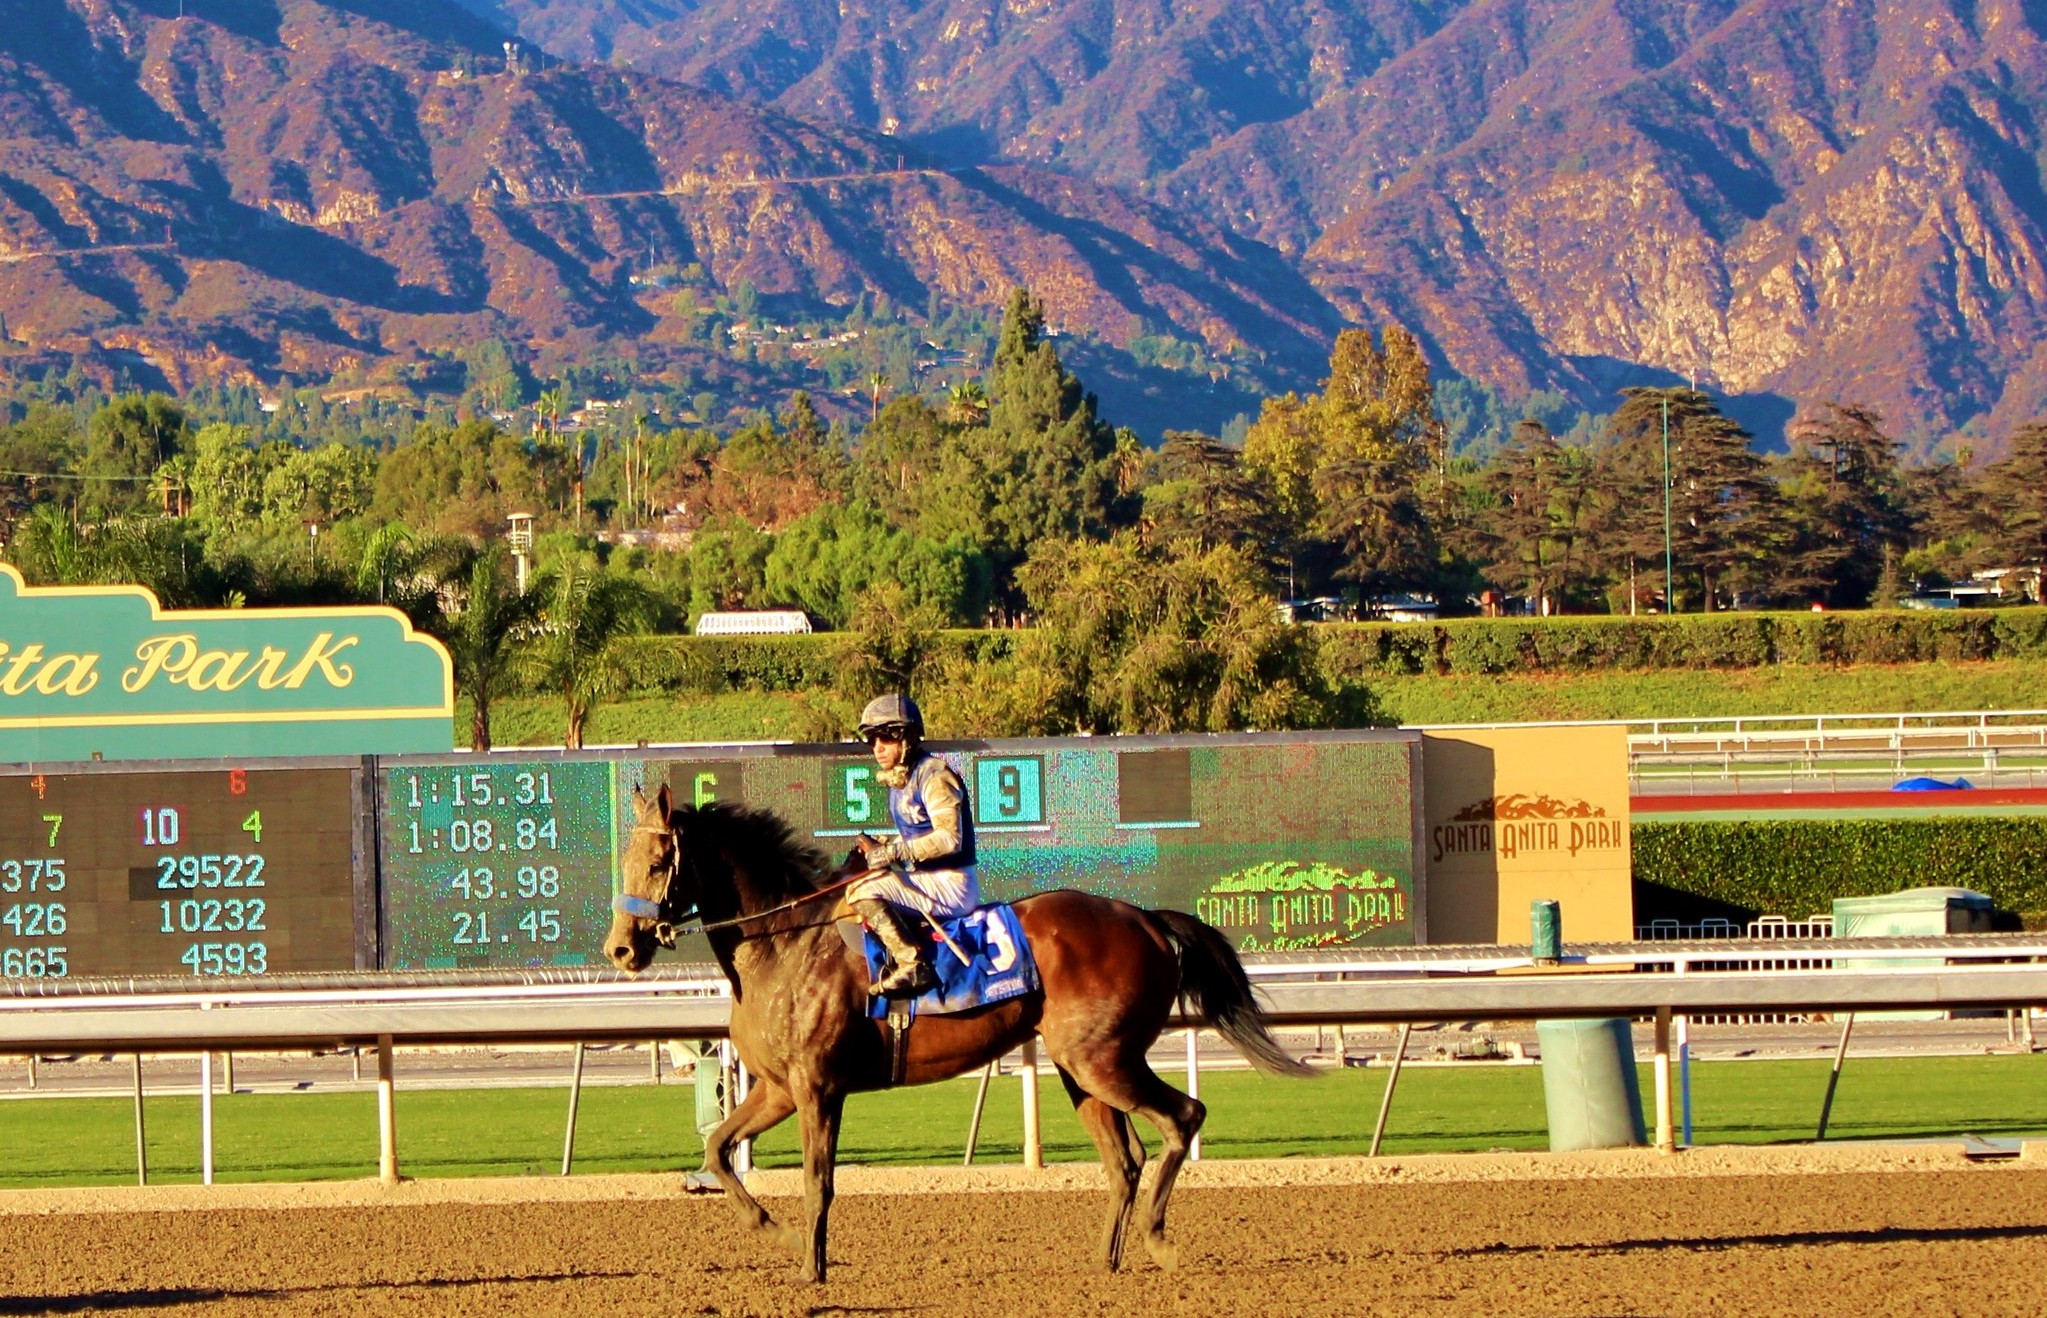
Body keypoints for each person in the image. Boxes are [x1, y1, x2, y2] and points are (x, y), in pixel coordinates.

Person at [849, 693, 979, 997]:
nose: (877, 748)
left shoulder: (934, 775)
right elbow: (917, 838)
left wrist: (892, 852)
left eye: (885, 738)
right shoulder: (901, 780)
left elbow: (949, 839)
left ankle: (912, 963)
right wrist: (886, 844)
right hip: (931, 879)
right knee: (864, 880)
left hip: (953, 883)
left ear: (905, 739)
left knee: (861, 891)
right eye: (871, 740)